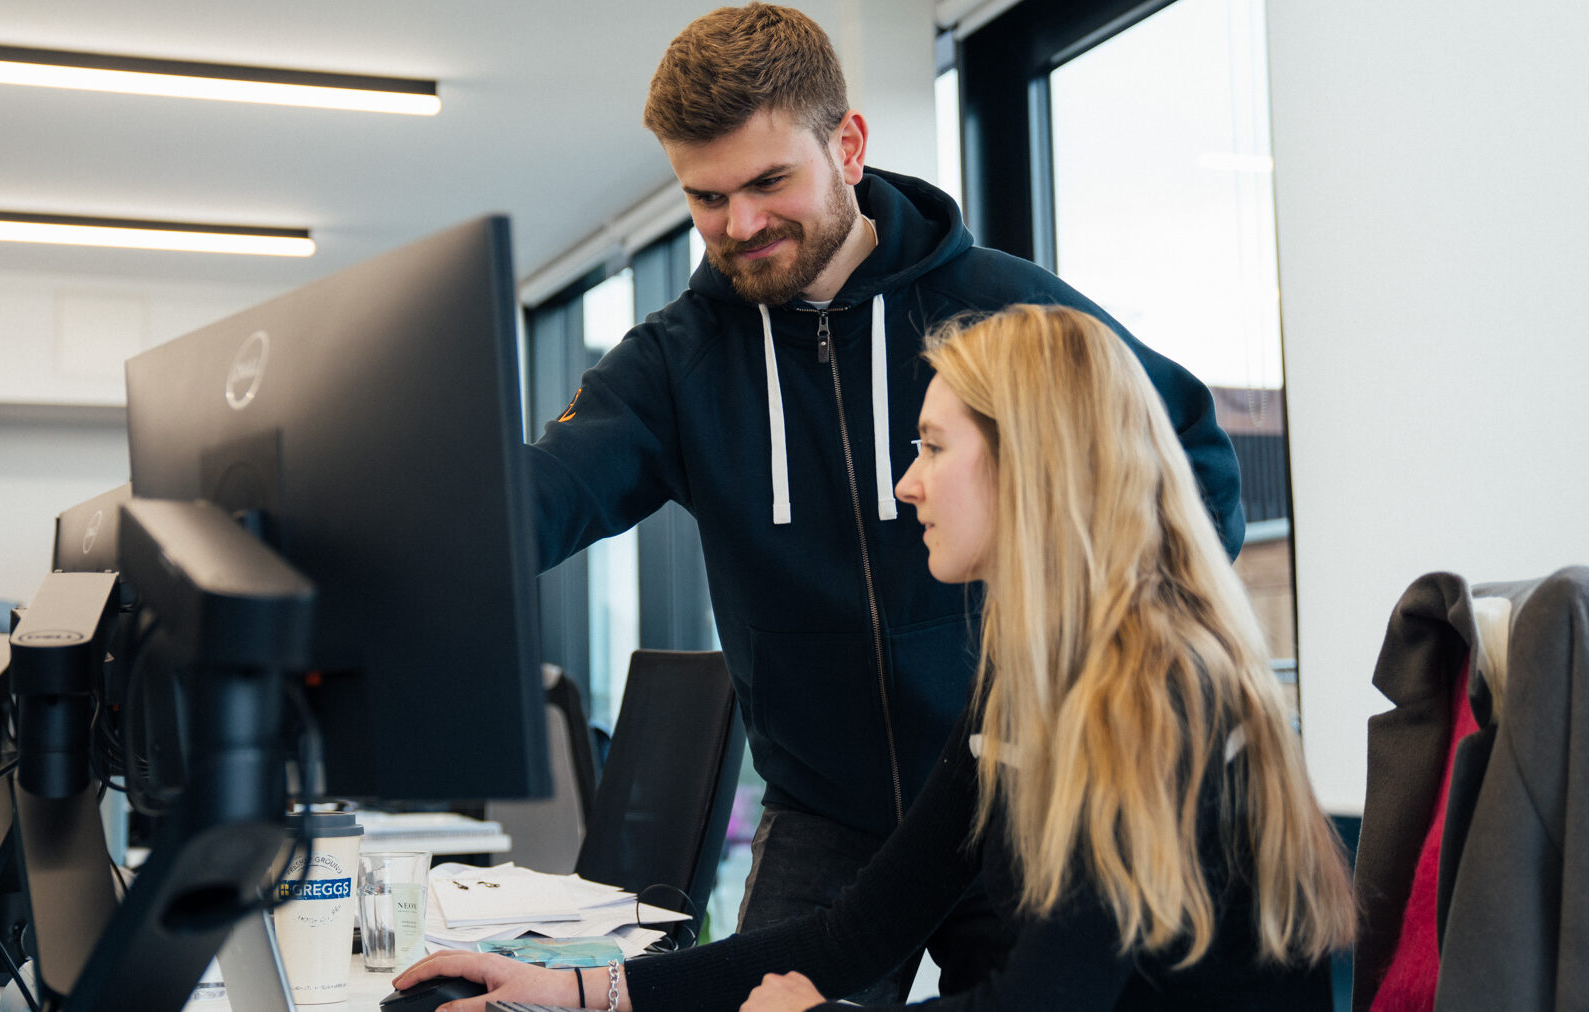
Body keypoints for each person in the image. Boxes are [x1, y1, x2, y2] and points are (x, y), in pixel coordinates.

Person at [524, 4, 1245, 998]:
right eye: (707, 196)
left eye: (770, 181)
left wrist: (1111, 666)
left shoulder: (1004, 310)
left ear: (848, 146)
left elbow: (1188, 461)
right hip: (827, 811)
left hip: (1012, 778)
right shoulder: (675, 362)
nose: (741, 224)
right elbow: (544, 500)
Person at [396, 304, 1356, 1011]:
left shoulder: (1153, 690)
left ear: (1028, 463)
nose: (906, 483)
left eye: (934, 446)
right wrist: (575, 993)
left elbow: (1049, 1004)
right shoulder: (1031, 682)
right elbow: (853, 930)